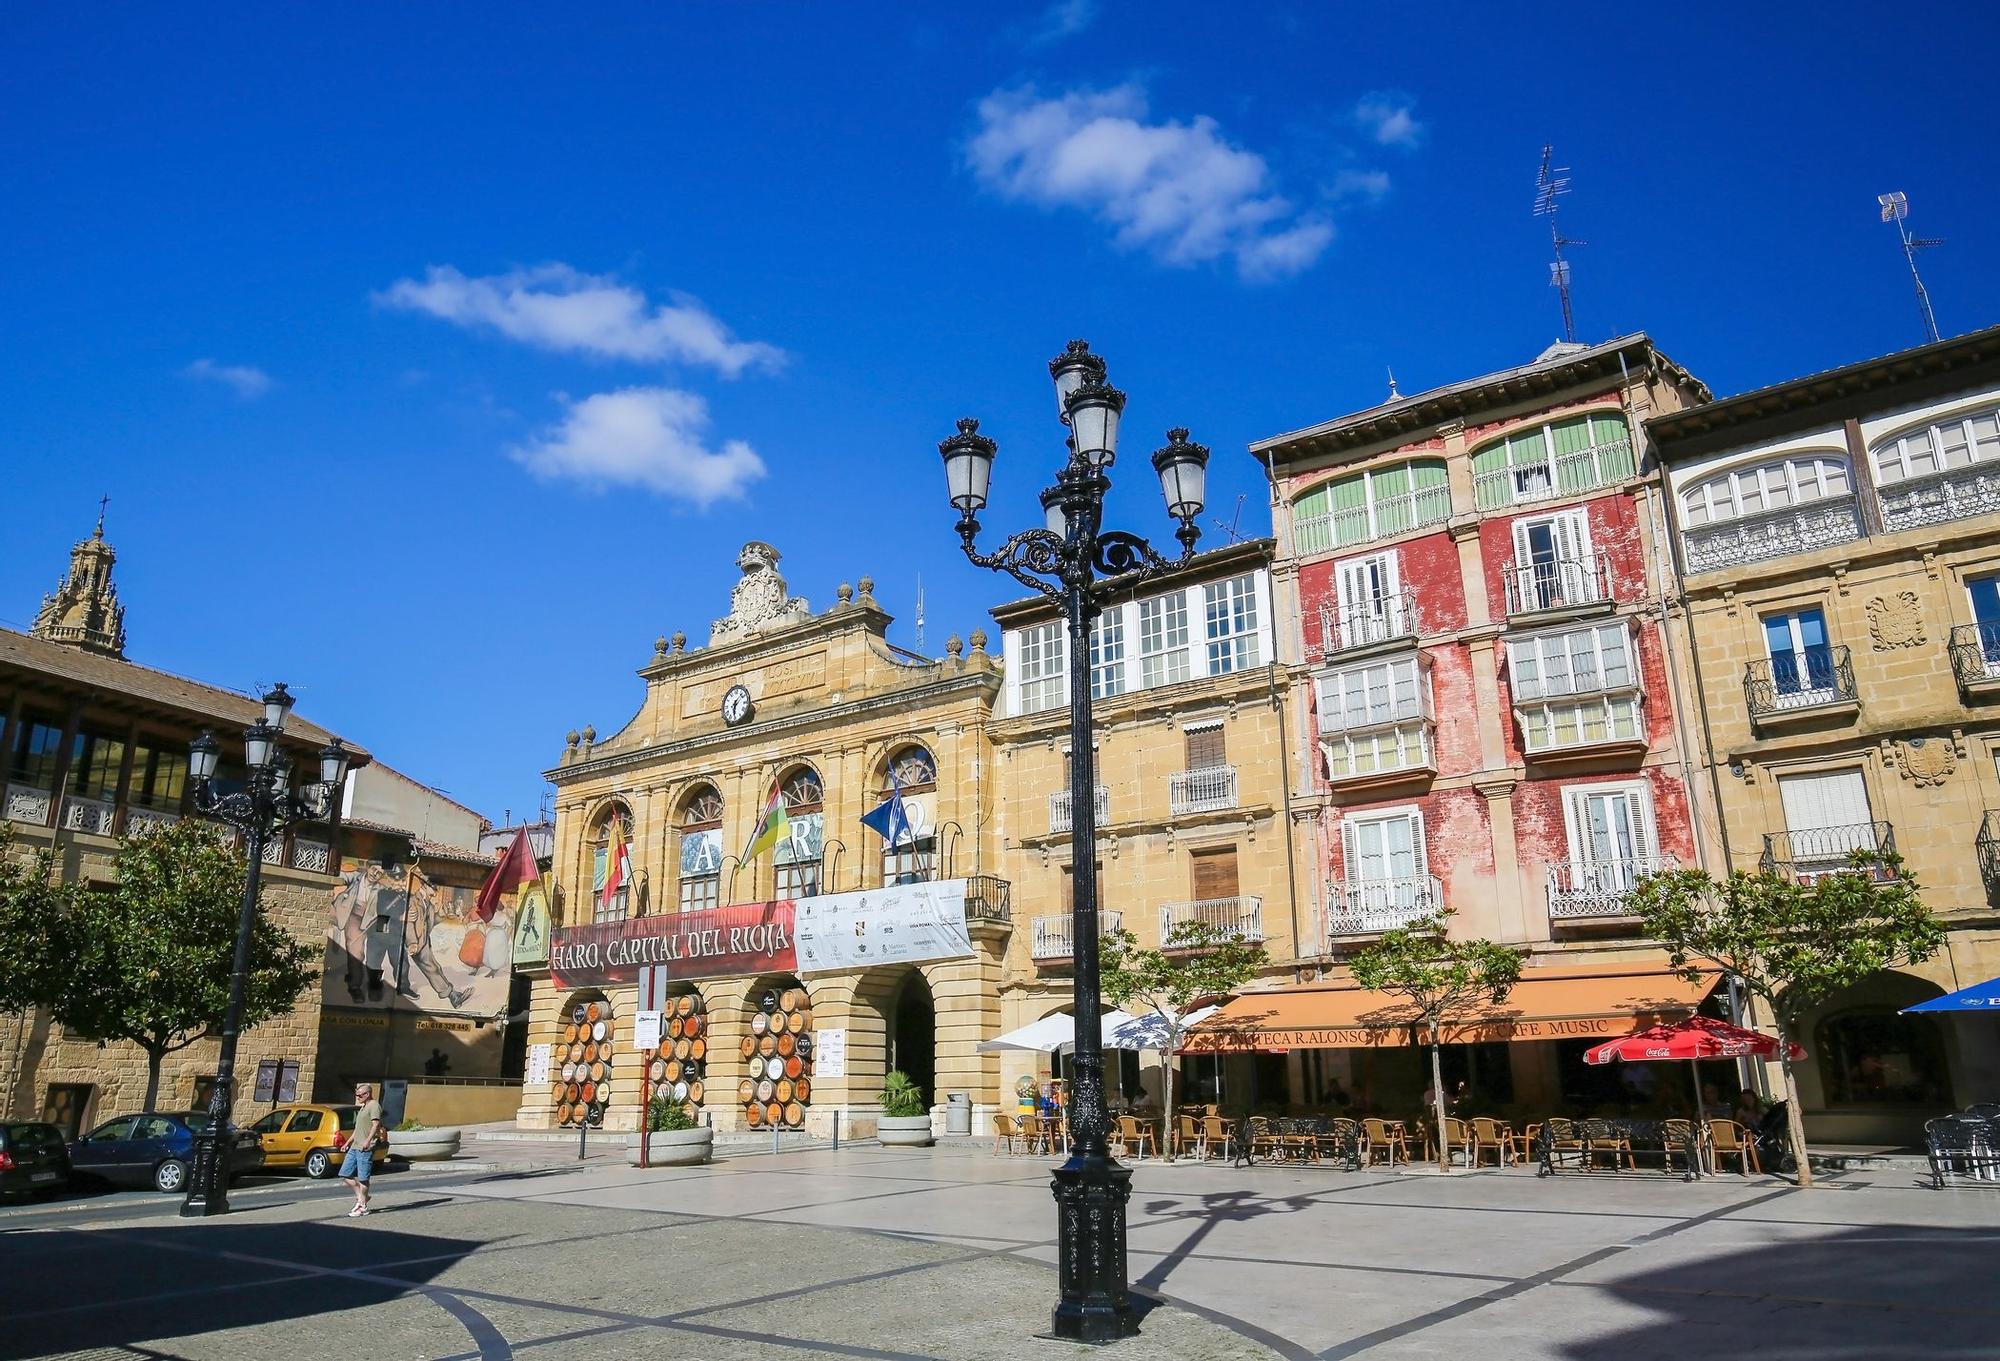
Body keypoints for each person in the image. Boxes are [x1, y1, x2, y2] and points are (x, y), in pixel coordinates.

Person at [343, 1083, 383, 1218]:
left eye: (360, 1095)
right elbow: (357, 1129)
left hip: (365, 1147)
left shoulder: (374, 1105)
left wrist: (367, 1141)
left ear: (367, 1094)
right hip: (355, 1146)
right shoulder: (363, 1108)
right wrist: (347, 1142)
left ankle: (363, 1206)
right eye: (356, 1095)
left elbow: (375, 1125)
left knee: (363, 1178)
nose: (358, 1097)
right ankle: (362, 1197)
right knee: (345, 1173)